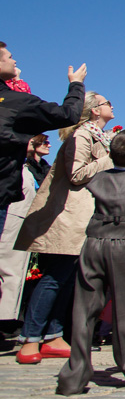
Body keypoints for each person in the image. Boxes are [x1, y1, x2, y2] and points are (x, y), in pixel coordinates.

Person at [14, 91, 115, 364]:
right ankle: (30, 338)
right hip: (68, 216)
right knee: (54, 277)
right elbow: (76, 173)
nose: (111, 106)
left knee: (70, 278)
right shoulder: (81, 135)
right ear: (94, 110)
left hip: (85, 218)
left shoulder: (97, 136)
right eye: (107, 103)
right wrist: (112, 158)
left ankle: (53, 335)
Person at [56, 129, 125, 395]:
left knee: (84, 308)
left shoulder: (98, 178)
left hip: (94, 241)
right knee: (124, 306)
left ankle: (74, 374)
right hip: (123, 243)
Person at [0, 43, 85, 241]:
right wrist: (76, 85)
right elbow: (68, 115)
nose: (15, 61)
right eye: (10, 56)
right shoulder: (16, 102)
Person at [0, 135, 46, 322]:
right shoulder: (12, 165)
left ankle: (7, 320)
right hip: (11, 222)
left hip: (22, 224)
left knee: (15, 273)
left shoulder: (27, 168)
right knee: (7, 271)